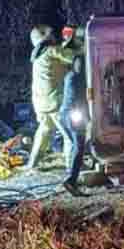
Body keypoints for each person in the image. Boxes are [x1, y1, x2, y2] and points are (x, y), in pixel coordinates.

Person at [24, 24, 76, 178]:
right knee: (69, 134)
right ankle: (71, 166)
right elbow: (72, 56)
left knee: (44, 132)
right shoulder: (51, 50)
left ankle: (32, 163)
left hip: (41, 102)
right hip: (55, 101)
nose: (54, 37)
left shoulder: (37, 55)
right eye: (51, 35)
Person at [58, 25, 88, 195]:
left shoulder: (71, 73)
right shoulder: (79, 69)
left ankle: (71, 177)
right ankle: (71, 181)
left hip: (66, 113)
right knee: (79, 147)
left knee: (77, 146)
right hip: (73, 113)